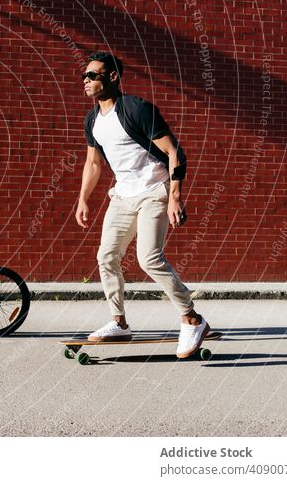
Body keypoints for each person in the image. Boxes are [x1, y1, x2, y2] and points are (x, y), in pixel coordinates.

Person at [74, 52, 210, 358]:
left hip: (154, 191)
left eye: (92, 75)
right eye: (84, 75)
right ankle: (119, 323)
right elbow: (93, 163)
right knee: (106, 256)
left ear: (111, 77)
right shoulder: (92, 119)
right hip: (123, 195)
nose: (86, 80)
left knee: (149, 258)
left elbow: (174, 152)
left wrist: (175, 196)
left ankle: (192, 318)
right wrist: (83, 198)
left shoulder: (136, 108)